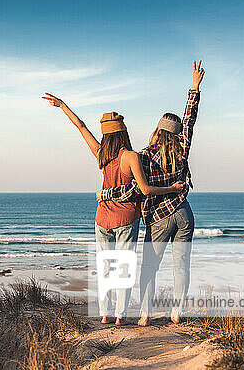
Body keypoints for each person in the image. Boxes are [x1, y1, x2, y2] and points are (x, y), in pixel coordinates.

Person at [42, 93, 185, 325]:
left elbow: (81, 127)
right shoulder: (131, 157)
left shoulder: (101, 155)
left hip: (102, 218)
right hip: (126, 218)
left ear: (106, 136)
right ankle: (120, 316)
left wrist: (63, 106)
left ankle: (105, 313)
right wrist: (172, 187)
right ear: (124, 133)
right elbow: (146, 190)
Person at [97, 60, 205, 326]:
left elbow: (135, 190)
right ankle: (177, 311)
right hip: (183, 212)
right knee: (182, 266)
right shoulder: (182, 147)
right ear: (177, 134)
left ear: (157, 130)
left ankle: (145, 314)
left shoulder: (143, 156)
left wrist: (107, 195)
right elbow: (190, 118)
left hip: (158, 218)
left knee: (149, 267)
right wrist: (194, 87)